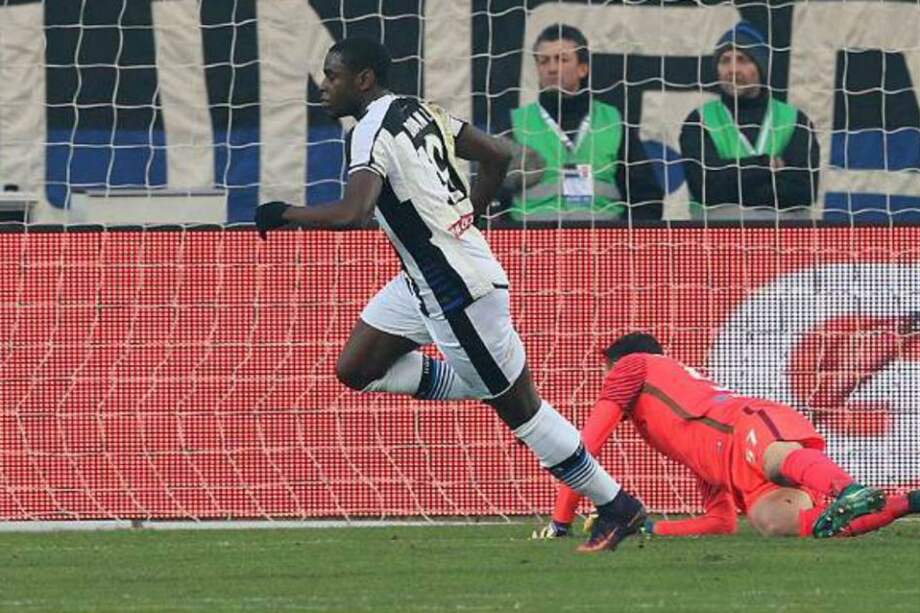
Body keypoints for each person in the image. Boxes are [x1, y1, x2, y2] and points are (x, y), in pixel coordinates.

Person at [254, 37, 646, 552]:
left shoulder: (369, 129)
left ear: (364, 80)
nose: (324, 87)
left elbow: (354, 213)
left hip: (456, 291)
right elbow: (498, 156)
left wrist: (282, 213)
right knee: (356, 369)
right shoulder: (420, 111)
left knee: (522, 412)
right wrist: (469, 218)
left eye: (333, 76)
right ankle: (484, 382)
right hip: (423, 280)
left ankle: (617, 505)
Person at [534, 332, 919, 539]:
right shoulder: (678, 430)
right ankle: (907, 503)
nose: (605, 378)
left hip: (744, 424)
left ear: (615, 364)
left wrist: (561, 522)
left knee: (776, 459)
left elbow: (582, 451)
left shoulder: (632, 367)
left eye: (606, 369)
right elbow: (721, 522)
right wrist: (652, 528)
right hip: (730, 466)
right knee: (775, 523)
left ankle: (848, 489)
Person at [501, 24, 663, 223]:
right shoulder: (516, 122)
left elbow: (646, 196)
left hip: (604, 244)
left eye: (562, 59)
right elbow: (495, 198)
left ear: (582, 69)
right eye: (543, 61)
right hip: (532, 245)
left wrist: (625, 244)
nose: (552, 68)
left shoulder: (612, 120)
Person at [679, 21, 820, 221]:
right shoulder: (699, 121)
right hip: (718, 244)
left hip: (783, 245)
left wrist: (732, 181)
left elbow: (803, 191)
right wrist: (764, 165)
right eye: (725, 60)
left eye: (743, 60)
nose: (733, 69)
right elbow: (707, 188)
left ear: (760, 67)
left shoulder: (795, 120)